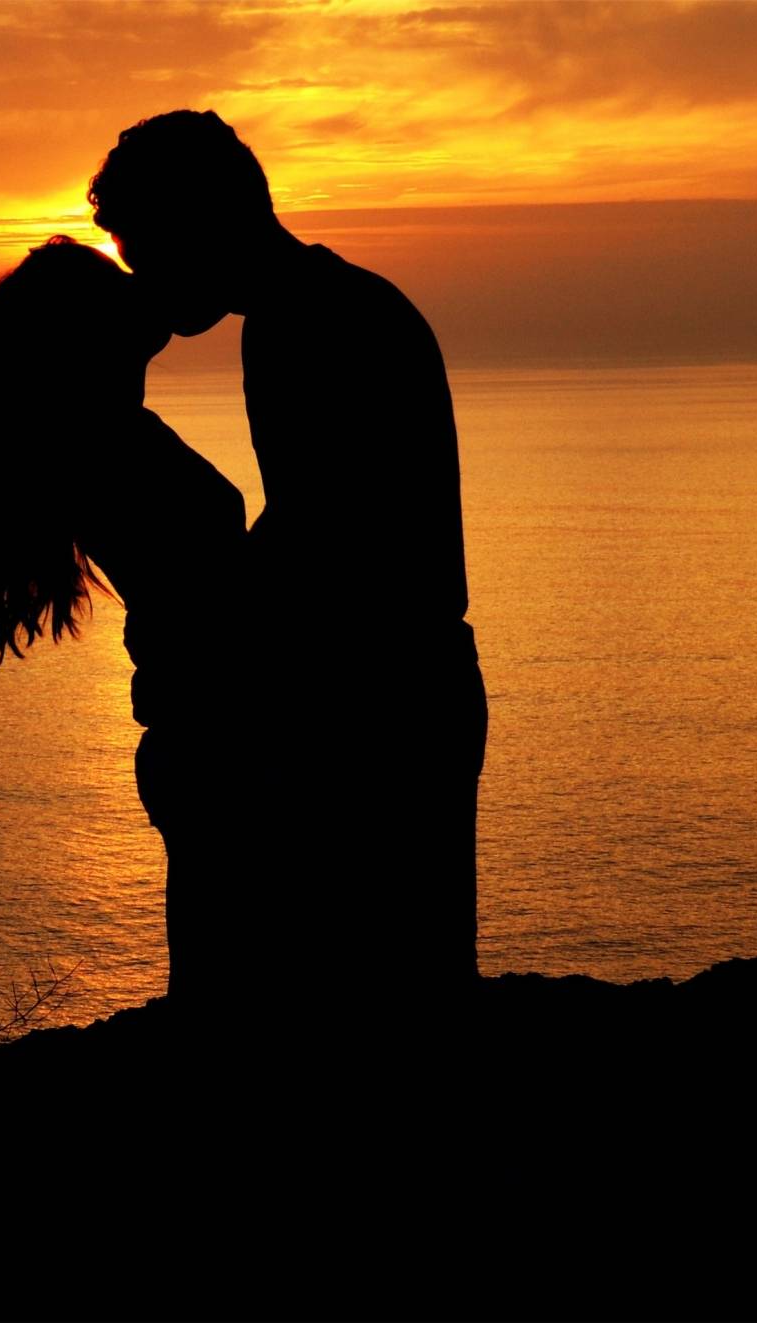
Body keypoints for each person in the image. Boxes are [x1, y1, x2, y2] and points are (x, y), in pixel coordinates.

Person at [89, 109, 488, 1003]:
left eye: (145, 248)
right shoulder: (324, 306)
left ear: (199, 222)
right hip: (403, 689)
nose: (142, 277)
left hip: (385, 708)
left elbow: (321, 538)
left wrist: (200, 646)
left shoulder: (303, 323)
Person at [0, 237, 258, 1007]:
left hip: (202, 735)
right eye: (115, 285)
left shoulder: (112, 435)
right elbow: (211, 589)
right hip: (216, 740)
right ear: (88, 336)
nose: (136, 288)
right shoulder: (111, 445)